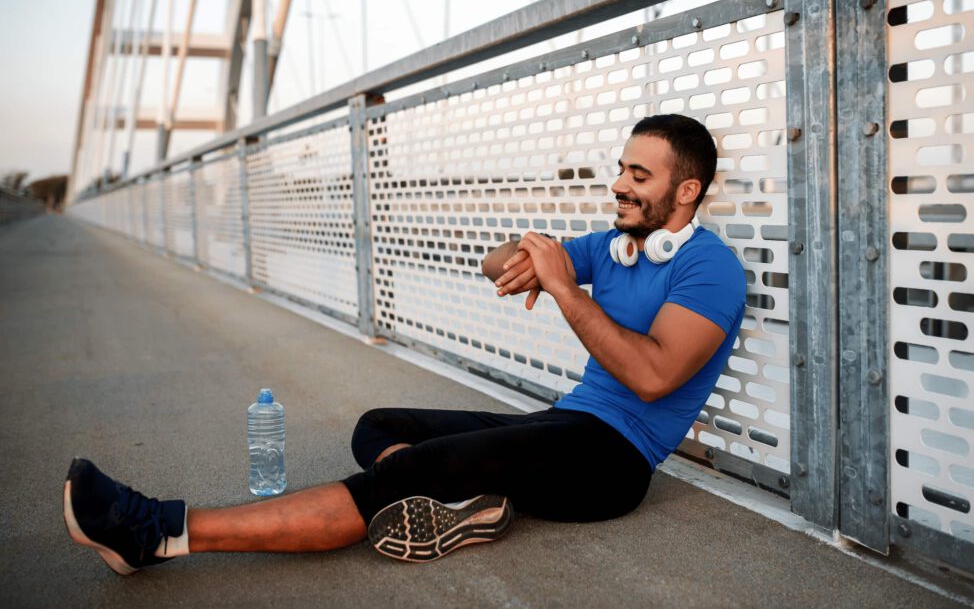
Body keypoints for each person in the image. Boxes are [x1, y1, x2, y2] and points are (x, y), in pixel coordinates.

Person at [63, 114, 746, 573]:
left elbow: (655, 376)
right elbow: (492, 262)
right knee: (380, 425)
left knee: (401, 470)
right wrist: (528, 255)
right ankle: (461, 502)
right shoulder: (617, 245)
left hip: (613, 461)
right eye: (621, 168)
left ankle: (157, 530)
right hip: (566, 423)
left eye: (639, 175)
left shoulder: (707, 268)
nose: (619, 184)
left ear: (686, 191)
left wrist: (566, 290)